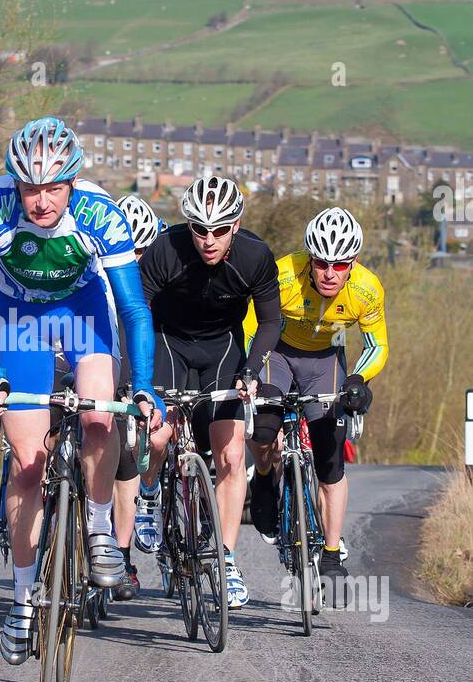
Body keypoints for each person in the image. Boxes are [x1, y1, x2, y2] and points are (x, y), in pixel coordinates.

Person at [0, 117, 164, 665]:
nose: (41, 200)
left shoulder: (100, 214)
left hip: (83, 311)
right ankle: (23, 600)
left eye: (52, 188)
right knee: (26, 465)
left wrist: (141, 387)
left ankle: (98, 528)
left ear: (72, 182)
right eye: (29, 188)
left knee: (100, 417)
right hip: (20, 318)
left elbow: (135, 310)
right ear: (14, 184)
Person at [134, 173, 282, 609]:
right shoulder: (166, 250)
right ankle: (147, 493)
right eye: (200, 229)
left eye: (220, 230)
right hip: (168, 342)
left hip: (222, 349)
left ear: (236, 225)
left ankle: (226, 557)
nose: (209, 240)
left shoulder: (255, 256)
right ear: (188, 226)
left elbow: (271, 321)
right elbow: (137, 311)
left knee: (231, 456)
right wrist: (141, 377)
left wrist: (251, 371)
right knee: (159, 435)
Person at [244, 207, 387, 603]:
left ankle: (330, 553)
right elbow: (251, 325)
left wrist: (358, 380)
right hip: (279, 353)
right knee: (265, 430)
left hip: (327, 360)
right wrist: (252, 370)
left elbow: (378, 345)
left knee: (329, 459)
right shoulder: (284, 273)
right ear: (310, 258)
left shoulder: (367, 289)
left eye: (339, 265)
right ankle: (264, 477)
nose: (328, 273)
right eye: (321, 263)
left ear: (352, 263)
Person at [110, 194, 163, 600]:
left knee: (136, 450)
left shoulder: (160, 271)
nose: (134, 262)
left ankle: (124, 554)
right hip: (100, 351)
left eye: (141, 252)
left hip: (147, 354)